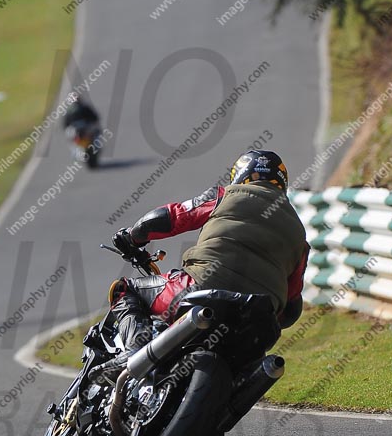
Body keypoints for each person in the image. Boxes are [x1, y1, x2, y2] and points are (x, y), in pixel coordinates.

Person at [93, 150, 309, 379]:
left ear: (240, 176)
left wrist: (133, 236)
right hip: (259, 321)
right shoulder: (300, 235)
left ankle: (134, 351)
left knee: (125, 289)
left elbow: (174, 216)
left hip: (200, 287)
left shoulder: (227, 195)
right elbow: (292, 309)